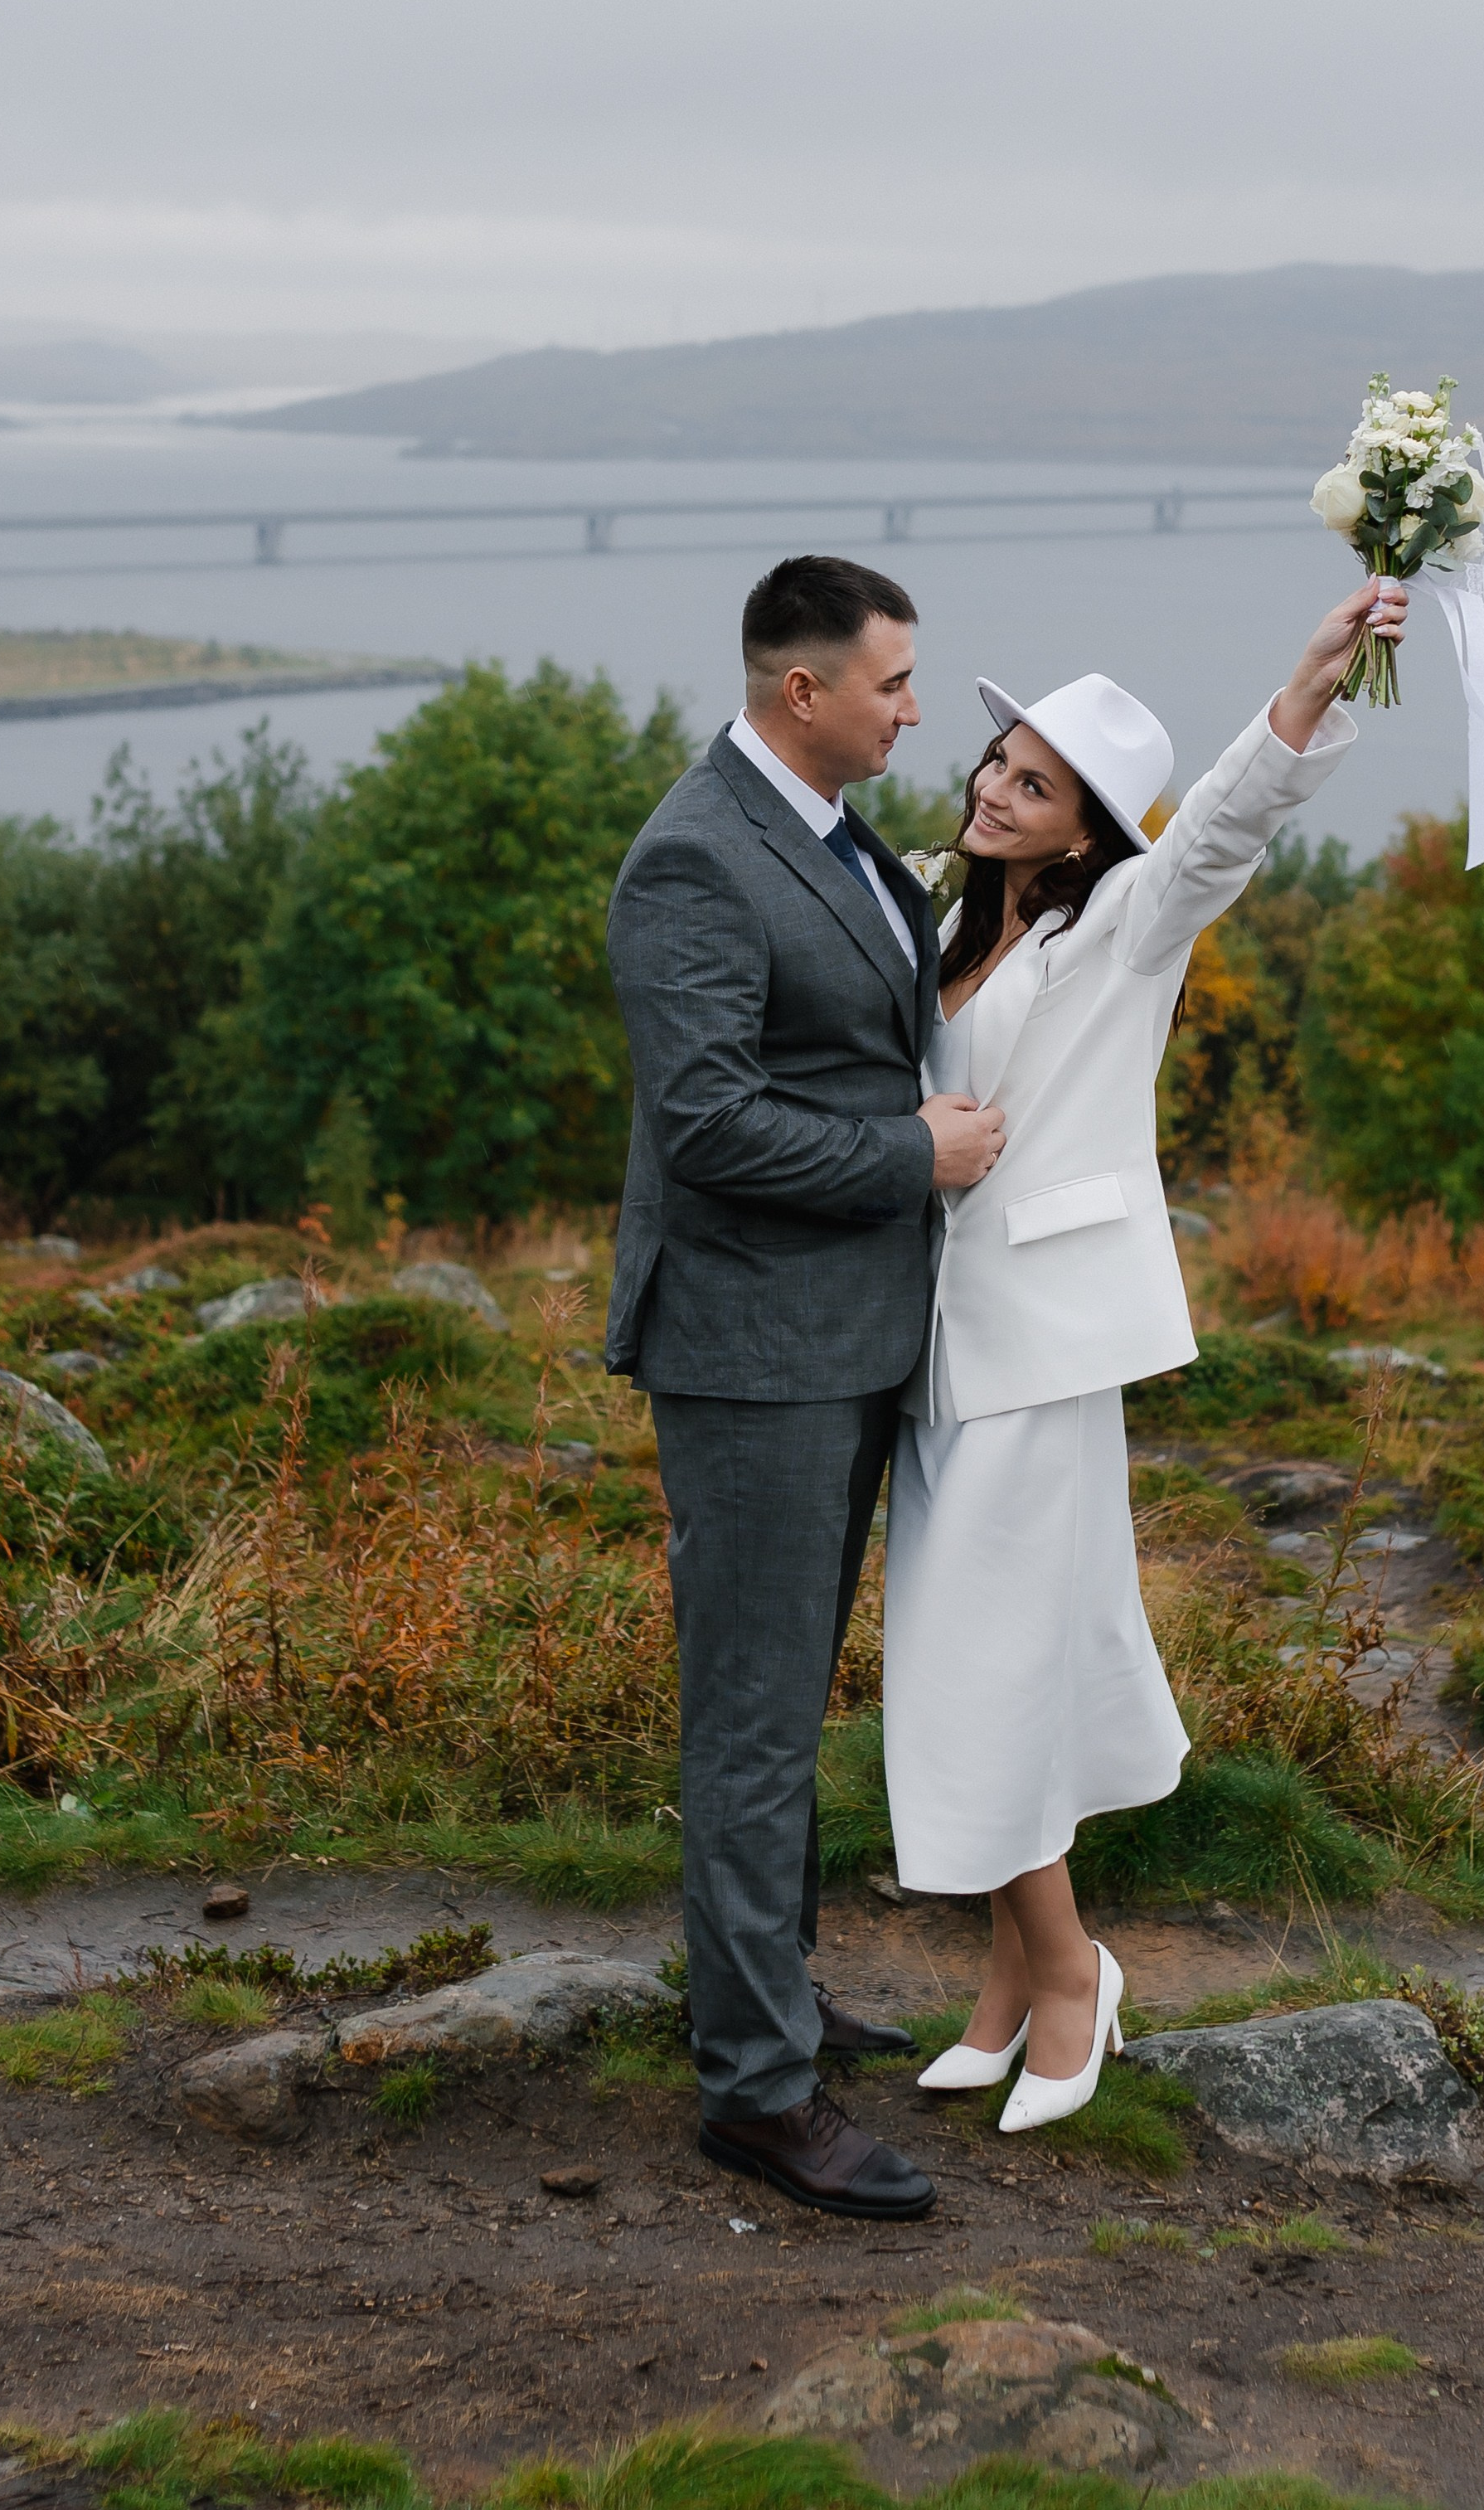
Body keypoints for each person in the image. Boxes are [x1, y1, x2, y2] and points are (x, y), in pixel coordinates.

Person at [883, 574, 1406, 2130]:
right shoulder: (942, 924)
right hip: (932, 1351)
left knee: (979, 1672)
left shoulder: (1124, 922)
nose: (993, 787)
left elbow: (1224, 830)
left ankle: (1066, 1976)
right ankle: (1001, 1980)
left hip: (1039, 1349)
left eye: (1032, 784)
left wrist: (1309, 679)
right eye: (996, 762)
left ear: (1088, 830)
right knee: (986, 1666)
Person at [605, 555, 1004, 2223]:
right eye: (896, 683)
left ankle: (767, 1987)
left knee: (787, 1704)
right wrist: (912, 1153)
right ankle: (759, 2091)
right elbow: (708, 1127)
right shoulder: (697, 858)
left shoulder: (826, 831)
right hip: (752, 1351)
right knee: (756, 1727)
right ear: (803, 693)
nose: (921, 710)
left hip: (836, 1338)